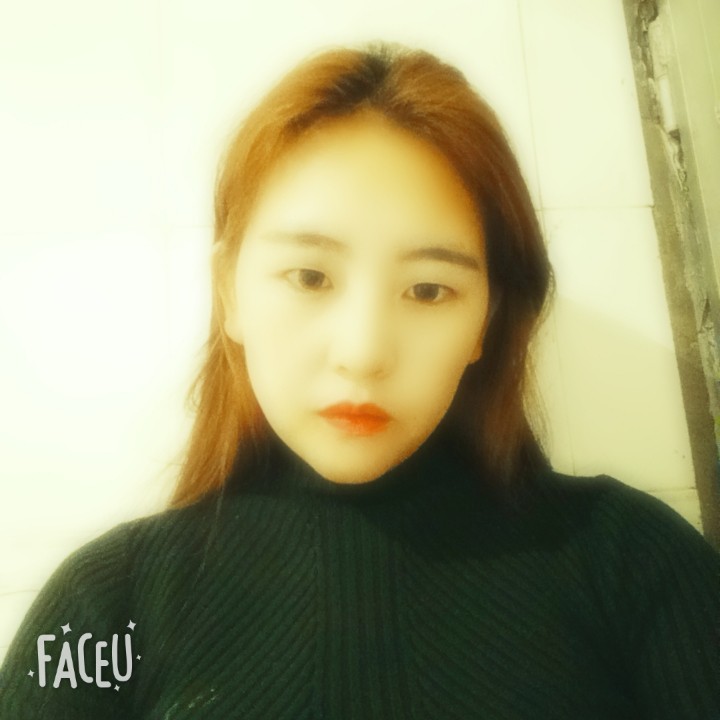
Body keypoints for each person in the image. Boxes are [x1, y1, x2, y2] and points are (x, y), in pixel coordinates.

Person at [1, 43, 719, 720]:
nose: (364, 353)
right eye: (310, 277)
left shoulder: (635, 569)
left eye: (429, 290)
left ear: (486, 322)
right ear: (229, 294)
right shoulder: (106, 608)